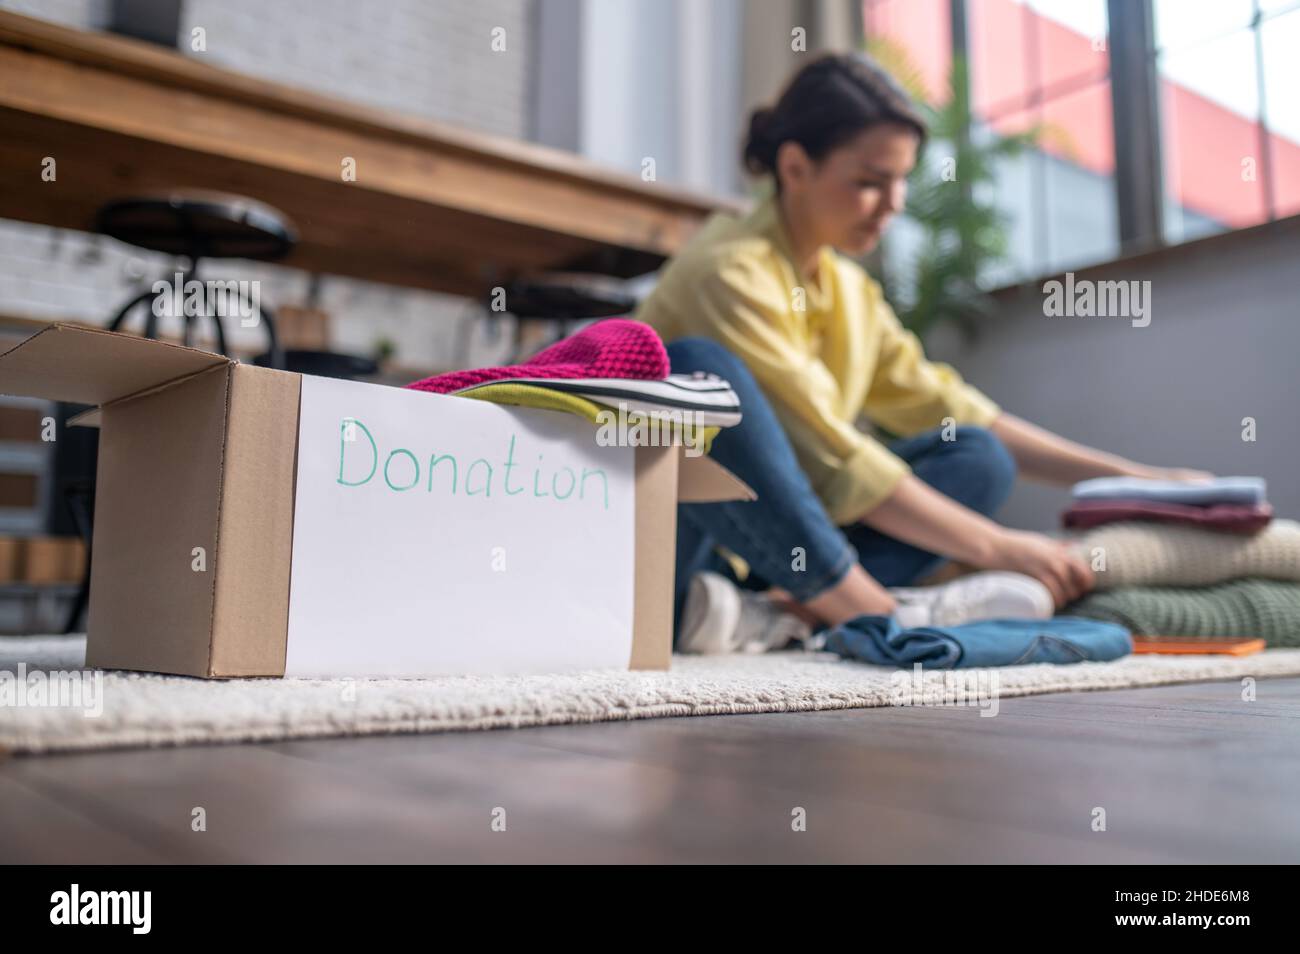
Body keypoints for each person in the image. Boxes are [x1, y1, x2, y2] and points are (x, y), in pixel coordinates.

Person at [634, 52, 1210, 651]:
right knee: (699, 370)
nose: (894, 203)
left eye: (901, 180)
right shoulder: (728, 271)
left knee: (977, 455)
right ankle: (874, 614)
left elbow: (954, 408)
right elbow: (835, 457)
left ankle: (779, 615)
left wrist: (1136, 481)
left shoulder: (849, 292)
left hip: (762, 565)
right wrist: (995, 545)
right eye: (869, 182)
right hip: (675, 550)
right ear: (795, 166)